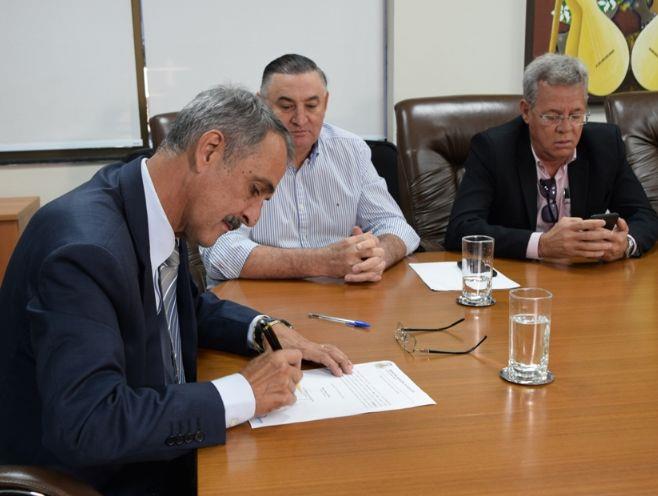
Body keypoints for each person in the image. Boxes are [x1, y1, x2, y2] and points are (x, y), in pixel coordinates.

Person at [0, 86, 352, 496]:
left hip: (160, 447)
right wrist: (243, 391)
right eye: (255, 189)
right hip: (100, 478)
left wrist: (263, 328)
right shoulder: (85, 252)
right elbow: (89, 422)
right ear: (210, 151)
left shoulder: (153, 204)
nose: (253, 216)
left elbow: (187, 307)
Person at [201, 54, 419, 284]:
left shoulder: (351, 149)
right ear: (261, 104)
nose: (300, 119)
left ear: (325, 102)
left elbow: (395, 225)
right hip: (256, 297)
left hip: (338, 296)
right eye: (286, 107)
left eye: (312, 106)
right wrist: (322, 262)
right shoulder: (233, 154)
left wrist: (378, 255)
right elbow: (220, 252)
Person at [445, 53, 658, 262]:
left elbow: (644, 216)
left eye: (575, 115)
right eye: (552, 116)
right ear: (526, 111)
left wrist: (625, 244)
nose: (565, 128)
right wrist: (541, 245)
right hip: (516, 274)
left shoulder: (605, 145)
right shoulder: (493, 149)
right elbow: (461, 228)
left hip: (582, 274)